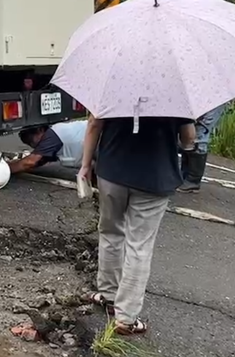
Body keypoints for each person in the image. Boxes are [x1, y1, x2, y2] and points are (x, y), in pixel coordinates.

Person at [79, 114, 195, 335]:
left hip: (112, 171)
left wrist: (85, 165)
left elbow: (94, 123)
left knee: (110, 233)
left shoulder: (112, 83)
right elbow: (189, 139)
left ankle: (109, 295)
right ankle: (126, 318)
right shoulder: (176, 93)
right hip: (155, 177)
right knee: (139, 246)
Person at [177, 103, 227, 193]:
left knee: (200, 134)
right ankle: (185, 175)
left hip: (214, 100)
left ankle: (193, 181)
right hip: (204, 98)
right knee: (191, 131)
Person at [8, 119, 89, 174]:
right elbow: (37, 162)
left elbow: (30, 162)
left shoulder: (52, 135)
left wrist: (6, 170)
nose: (34, 147)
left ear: (40, 130)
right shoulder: (54, 136)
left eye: (32, 142)